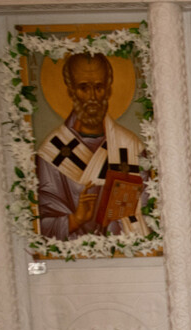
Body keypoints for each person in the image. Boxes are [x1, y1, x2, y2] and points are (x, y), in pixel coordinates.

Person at [35, 52, 149, 240]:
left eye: (99, 87)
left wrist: (114, 221)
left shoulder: (130, 146)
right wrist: (76, 219)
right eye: (83, 88)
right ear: (71, 90)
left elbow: (146, 212)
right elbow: (42, 224)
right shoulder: (52, 151)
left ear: (109, 90)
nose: (92, 96)